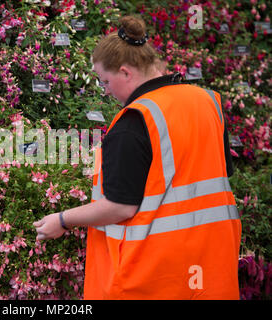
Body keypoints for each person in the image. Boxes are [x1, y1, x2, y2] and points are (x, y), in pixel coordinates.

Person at [33, 15, 241, 300]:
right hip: (210, 269)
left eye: (105, 81)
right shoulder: (208, 101)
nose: (105, 91)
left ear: (125, 72)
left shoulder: (134, 121)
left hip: (154, 278)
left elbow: (121, 207)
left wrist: (62, 219)